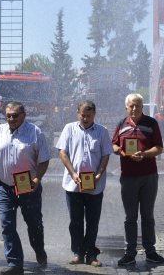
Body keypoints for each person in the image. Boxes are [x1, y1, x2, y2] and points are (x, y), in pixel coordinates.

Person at [0, 102, 52, 275]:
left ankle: (39, 250)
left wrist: (37, 178)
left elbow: (44, 160)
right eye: (8, 115)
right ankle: (15, 264)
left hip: (28, 187)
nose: (11, 119)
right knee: (7, 225)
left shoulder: (35, 132)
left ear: (24, 115)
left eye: (15, 115)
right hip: (3, 186)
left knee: (34, 224)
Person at [55, 100, 112, 267]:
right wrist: (73, 173)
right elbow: (62, 152)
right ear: (77, 113)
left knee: (93, 221)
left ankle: (91, 254)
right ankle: (78, 253)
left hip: (95, 186)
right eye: (82, 115)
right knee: (75, 221)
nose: (85, 118)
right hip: (73, 185)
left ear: (94, 115)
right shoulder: (69, 129)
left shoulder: (102, 131)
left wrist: (99, 174)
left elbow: (105, 155)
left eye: (88, 115)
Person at [112, 93, 164, 267]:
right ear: (126, 107)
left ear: (143, 107)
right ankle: (130, 253)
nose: (135, 108)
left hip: (149, 175)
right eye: (132, 106)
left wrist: (145, 154)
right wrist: (120, 150)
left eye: (138, 105)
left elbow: (159, 147)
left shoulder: (151, 123)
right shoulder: (121, 124)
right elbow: (114, 144)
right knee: (130, 217)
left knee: (147, 215)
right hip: (128, 177)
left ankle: (150, 251)